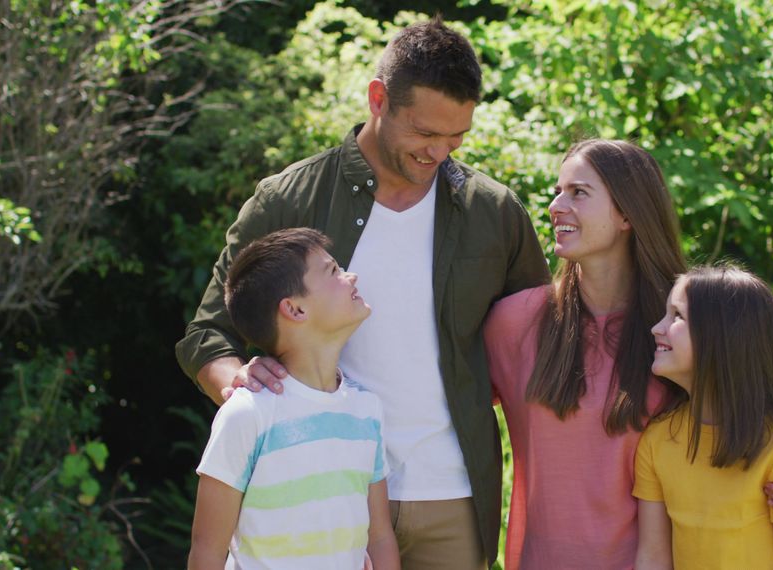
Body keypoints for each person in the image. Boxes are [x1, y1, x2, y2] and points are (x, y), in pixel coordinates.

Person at [175, 18, 550, 569]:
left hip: (452, 493)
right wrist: (235, 381)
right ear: (379, 98)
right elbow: (207, 334)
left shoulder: (493, 213)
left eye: (457, 138)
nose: (440, 154)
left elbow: (541, 338)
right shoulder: (286, 200)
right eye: (424, 134)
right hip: (320, 501)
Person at [483, 139, 773, 569]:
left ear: (628, 213)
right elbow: (442, 416)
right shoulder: (514, 323)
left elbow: (752, 413)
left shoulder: (681, 328)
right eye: (558, 190)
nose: (556, 204)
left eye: (578, 192)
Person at [188, 228, 399, 570]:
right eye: (333, 271)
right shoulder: (247, 414)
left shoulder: (366, 411)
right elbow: (207, 550)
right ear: (295, 309)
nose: (351, 276)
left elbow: (379, 538)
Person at [633, 265, 773, 569]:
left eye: (677, 316)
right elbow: (653, 557)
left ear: (723, 336)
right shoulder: (657, 440)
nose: (657, 327)